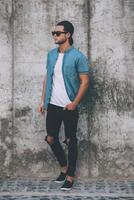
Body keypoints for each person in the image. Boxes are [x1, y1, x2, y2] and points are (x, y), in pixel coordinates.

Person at [38, 20, 90, 190]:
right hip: (52, 104)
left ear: (68, 35)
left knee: (70, 140)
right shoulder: (51, 55)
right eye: (53, 33)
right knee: (51, 138)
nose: (55, 35)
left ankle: (70, 176)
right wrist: (42, 100)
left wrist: (74, 103)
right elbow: (48, 78)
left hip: (69, 106)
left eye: (58, 33)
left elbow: (85, 82)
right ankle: (63, 167)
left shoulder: (78, 57)